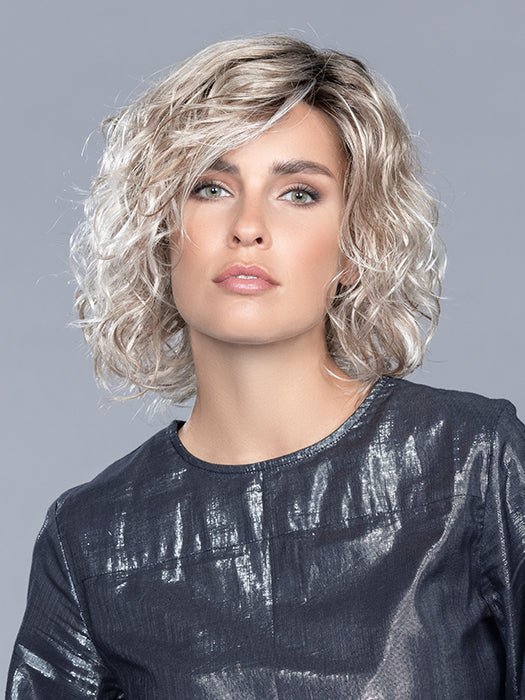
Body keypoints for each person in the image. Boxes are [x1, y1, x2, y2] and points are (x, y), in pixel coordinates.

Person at [6, 34, 525, 699]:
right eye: (211, 187)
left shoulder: (471, 463)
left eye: (298, 193)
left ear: (355, 243)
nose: (248, 226)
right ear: (159, 234)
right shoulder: (93, 540)